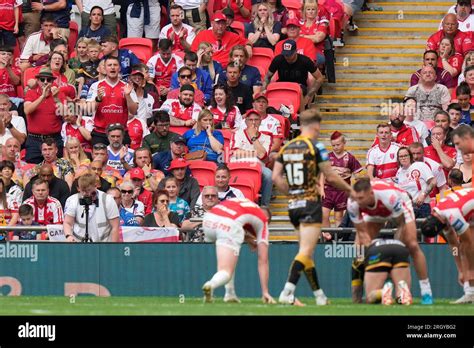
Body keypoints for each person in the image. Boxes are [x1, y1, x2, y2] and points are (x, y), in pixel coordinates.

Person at [272, 109, 355, 306]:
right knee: (306, 250)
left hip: (293, 206)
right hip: (310, 204)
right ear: (316, 126)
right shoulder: (316, 147)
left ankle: (319, 296)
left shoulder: (287, 147)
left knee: (306, 252)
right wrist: (351, 191)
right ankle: (287, 291)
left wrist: (291, 193)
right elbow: (332, 176)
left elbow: (276, 177)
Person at [347, 178, 433, 305]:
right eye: (356, 198)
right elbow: (362, 234)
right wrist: (373, 255)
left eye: (361, 198)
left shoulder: (388, 195)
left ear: (371, 193)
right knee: (359, 248)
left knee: (412, 245)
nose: (357, 202)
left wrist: (396, 251)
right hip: (372, 212)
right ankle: (357, 296)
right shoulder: (353, 202)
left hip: (399, 206)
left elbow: (401, 224)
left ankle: (426, 291)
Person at [201, 198, 275, 304]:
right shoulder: (263, 221)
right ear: (267, 219)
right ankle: (210, 285)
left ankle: (230, 294)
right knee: (226, 271)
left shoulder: (246, 205)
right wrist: (265, 291)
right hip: (227, 224)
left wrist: (248, 239)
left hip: (208, 220)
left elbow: (237, 221)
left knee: (231, 253)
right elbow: (263, 260)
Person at [421, 188, 474, 303]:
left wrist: (470, 271)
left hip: (467, 209)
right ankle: (470, 293)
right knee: (462, 248)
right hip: (470, 212)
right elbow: (454, 246)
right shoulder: (439, 213)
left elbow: (469, 243)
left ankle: (470, 291)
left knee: (465, 248)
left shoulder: (451, 215)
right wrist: (460, 270)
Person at [86, 56, 138, 146]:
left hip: (121, 133)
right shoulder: (96, 86)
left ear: (119, 68)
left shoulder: (126, 87)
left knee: (123, 159)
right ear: (105, 69)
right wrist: (98, 99)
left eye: (115, 65)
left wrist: (128, 96)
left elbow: (134, 111)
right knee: (99, 160)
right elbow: (88, 110)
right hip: (100, 133)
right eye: (109, 65)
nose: (112, 67)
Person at [263, 39, 323, 112]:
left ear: (295, 51)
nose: (287, 56)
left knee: (299, 91)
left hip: (299, 86)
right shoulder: (278, 59)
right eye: (285, 54)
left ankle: (302, 114)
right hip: (282, 85)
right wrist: (264, 89)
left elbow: (319, 78)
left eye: (289, 54)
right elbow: (267, 76)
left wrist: (308, 96)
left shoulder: (305, 61)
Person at [230, 109, 273, 206]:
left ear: (260, 121)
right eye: (250, 120)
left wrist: (253, 137)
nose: (253, 122)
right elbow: (235, 153)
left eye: (256, 119)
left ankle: (264, 206)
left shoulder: (267, 137)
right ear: (245, 121)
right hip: (238, 165)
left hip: (257, 166)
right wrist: (255, 152)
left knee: (269, 175)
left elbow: (263, 156)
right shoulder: (237, 133)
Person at [321, 131, 362, 228]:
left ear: (344, 143)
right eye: (333, 145)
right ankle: (327, 236)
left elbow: (357, 175)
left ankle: (339, 238)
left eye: (338, 145)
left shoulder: (350, 158)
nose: (335, 147)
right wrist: (321, 189)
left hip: (342, 192)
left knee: (338, 217)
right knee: (324, 215)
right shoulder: (327, 157)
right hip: (328, 190)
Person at [24, 70, 67, 163]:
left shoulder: (59, 94)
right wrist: (42, 97)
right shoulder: (31, 93)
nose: (45, 82)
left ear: (52, 82)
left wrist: (56, 99)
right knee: (32, 170)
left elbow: (66, 116)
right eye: (42, 79)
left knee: (57, 168)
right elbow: (27, 110)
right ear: (38, 81)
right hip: (34, 140)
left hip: (54, 139)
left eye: (49, 80)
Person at [63, 173, 119, 242]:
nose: (87, 194)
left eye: (89, 190)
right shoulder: (73, 200)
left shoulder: (108, 200)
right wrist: (69, 236)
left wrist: (113, 248)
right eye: (83, 191)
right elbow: (67, 223)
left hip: (103, 244)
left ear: (95, 186)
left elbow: (115, 226)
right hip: (80, 243)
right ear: (78, 189)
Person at [364, 239, 413, 305]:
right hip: (400, 247)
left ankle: (382, 292)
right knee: (401, 293)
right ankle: (401, 296)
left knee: (370, 297)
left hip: (378, 250)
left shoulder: (366, 247)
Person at [395, 147, 437, 218]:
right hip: (408, 209)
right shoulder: (398, 173)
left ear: (410, 156)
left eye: (405, 155)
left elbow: (433, 181)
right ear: (398, 158)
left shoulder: (420, 165)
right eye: (401, 156)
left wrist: (423, 194)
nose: (403, 158)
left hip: (423, 206)